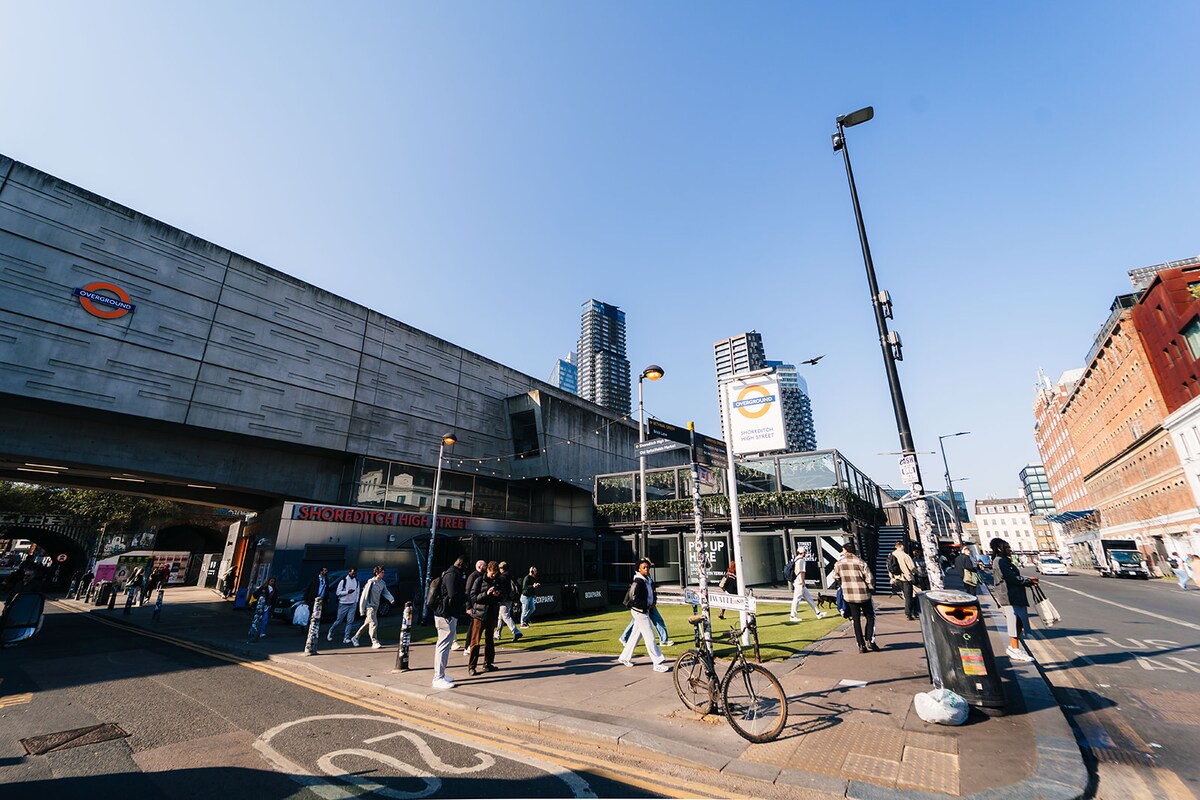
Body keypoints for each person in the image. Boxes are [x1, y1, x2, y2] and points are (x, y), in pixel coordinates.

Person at [617, 558, 671, 672]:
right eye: (644, 567)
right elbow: (633, 599)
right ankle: (657, 663)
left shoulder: (648, 579)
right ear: (639, 569)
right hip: (639, 611)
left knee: (635, 635)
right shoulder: (638, 581)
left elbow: (652, 593)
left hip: (644, 610)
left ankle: (624, 657)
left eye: (647, 567)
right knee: (650, 637)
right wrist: (646, 605)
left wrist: (652, 603)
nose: (646, 569)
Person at [991, 537, 1036, 662]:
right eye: (1007, 547)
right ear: (999, 549)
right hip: (1009, 596)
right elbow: (1011, 578)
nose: (1009, 549)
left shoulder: (1003, 560)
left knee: (1018, 621)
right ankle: (1014, 649)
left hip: (1013, 594)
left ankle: (1013, 647)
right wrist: (1027, 580)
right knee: (1014, 621)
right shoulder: (1000, 561)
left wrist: (1027, 580)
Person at [834, 542, 878, 653]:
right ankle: (870, 639)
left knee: (856, 619)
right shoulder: (861, 562)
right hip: (863, 594)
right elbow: (869, 578)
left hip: (849, 595)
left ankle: (861, 644)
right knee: (870, 616)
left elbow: (836, 576)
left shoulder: (839, 564)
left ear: (846, 551)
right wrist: (870, 587)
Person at [432, 556, 467, 690]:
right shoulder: (452, 575)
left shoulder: (448, 573)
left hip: (444, 613)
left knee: (443, 645)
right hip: (446, 614)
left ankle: (440, 675)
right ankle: (438, 677)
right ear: (461, 564)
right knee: (443, 646)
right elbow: (453, 595)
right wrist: (466, 597)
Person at [467, 561, 503, 676]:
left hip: (491, 614)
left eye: (496, 573)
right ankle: (472, 666)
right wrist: (486, 594)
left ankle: (488, 663)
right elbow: (473, 597)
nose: (494, 575)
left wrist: (498, 595)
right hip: (479, 615)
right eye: (492, 573)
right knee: (475, 641)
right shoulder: (479, 580)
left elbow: (503, 595)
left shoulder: (497, 580)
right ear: (488, 570)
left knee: (489, 641)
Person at [352, 566, 394, 649]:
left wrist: (391, 599)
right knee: (374, 623)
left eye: (383, 572)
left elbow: (385, 592)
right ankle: (374, 642)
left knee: (368, 624)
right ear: (377, 573)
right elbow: (364, 596)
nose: (383, 574)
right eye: (382, 572)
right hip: (369, 607)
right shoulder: (371, 583)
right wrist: (362, 610)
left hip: (376, 607)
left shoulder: (382, 583)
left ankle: (355, 637)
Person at [788, 550, 826, 622]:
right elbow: (802, 572)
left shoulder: (796, 559)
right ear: (802, 553)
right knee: (797, 599)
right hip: (799, 582)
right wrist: (802, 582)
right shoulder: (801, 560)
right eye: (804, 552)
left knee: (808, 598)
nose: (805, 553)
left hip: (797, 581)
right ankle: (792, 616)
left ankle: (818, 613)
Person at [456, 559, 486, 652]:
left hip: (478, 605)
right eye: (484, 565)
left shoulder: (482, 576)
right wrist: (468, 606)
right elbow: (468, 591)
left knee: (476, 626)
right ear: (479, 566)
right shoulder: (473, 576)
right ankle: (468, 646)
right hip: (473, 605)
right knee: (472, 626)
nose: (486, 567)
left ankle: (471, 645)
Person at [887, 540, 918, 620]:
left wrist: (892, 577)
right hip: (906, 578)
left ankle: (912, 612)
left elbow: (890, 568)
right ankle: (909, 613)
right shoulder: (905, 555)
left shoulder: (891, 555)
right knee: (909, 596)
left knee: (905, 594)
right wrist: (915, 574)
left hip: (897, 578)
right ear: (902, 546)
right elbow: (912, 567)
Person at [493, 561, 523, 643]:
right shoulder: (511, 575)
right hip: (510, 598)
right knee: (501, 617)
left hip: (504, 598)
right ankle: (497, 634)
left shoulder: (502, 577)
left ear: (501, 569)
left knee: (505, 616)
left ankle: (516, 631)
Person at [327, 568, 360, 643]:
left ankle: (346, 637)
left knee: (350, 621)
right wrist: (347, 592)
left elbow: (357, 592)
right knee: (339, 621)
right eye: (352, 573)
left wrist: (356, 601)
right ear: (349, 572)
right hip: (343, 603)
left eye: (355, 573)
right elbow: (338, 592)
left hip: (352, 603)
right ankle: (331, 631)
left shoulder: (356, 581)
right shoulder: (343, 581)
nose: (354, 575)